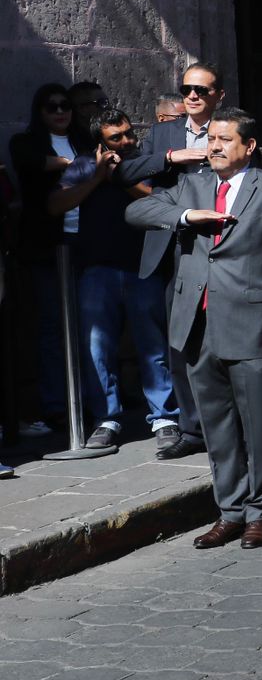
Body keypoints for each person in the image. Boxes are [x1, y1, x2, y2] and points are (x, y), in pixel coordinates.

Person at [126, 108, 262, 550]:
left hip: (251, 322)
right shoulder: (192, 184)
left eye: (226, 140)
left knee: (257, 423)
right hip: (196, 322)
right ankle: (230, 510)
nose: (215, 146)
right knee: (216, 425)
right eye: (212, 140)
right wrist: (188, 217)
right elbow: (137, 209)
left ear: (248, 146)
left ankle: (260, 511)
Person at [47, 109, 179, 452]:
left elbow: (160, 203)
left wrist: (122, 177)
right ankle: (107, 418)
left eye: (128, 133)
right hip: (97, 269)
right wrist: (95, 178)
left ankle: (164, 416)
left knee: (152, 344)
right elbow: (56, 204)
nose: (126, 141)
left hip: (142, 267)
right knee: (96, 348)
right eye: (115, 138)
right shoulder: (83, 164)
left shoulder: (145, 161)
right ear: (99, 144)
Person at [118, 62, 231, 457]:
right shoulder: (165, 132)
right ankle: (192, 428)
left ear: (219, 95)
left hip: (218, 242)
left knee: (218, 338)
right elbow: (127, 170)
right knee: (178, 341)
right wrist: (171, 155)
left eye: (201, 89)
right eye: (186, 90)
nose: (193, 96)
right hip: (173, 245)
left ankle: (226, 422)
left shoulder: (232, 126)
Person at [9, 84, 92, 436]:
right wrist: (81, 165)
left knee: (91, 326)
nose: (60, 112)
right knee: (51, 327)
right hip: (48, 246)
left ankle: (89, 399)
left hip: (86, 242)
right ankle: (57, 404)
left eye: (65, 106)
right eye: (51, 107)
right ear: (40, 112)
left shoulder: (83, 141)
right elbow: (30, 163)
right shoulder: (26, 142)